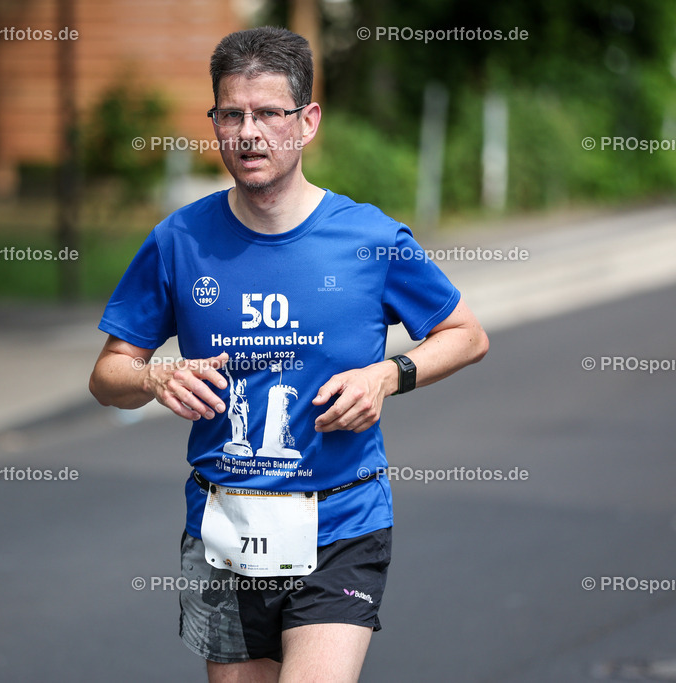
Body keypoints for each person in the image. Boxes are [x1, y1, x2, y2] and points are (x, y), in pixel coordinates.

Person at [89, 26, 488, 682]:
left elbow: (466, 333)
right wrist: (155, 375)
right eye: (231, 114)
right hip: (223, 528)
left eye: (268, 113)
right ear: (214, 121)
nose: (248, 133)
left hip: (342, 520)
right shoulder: (178, 240)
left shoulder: (368, 237)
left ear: (307, 122)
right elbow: (108, 377)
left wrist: (389, 374)